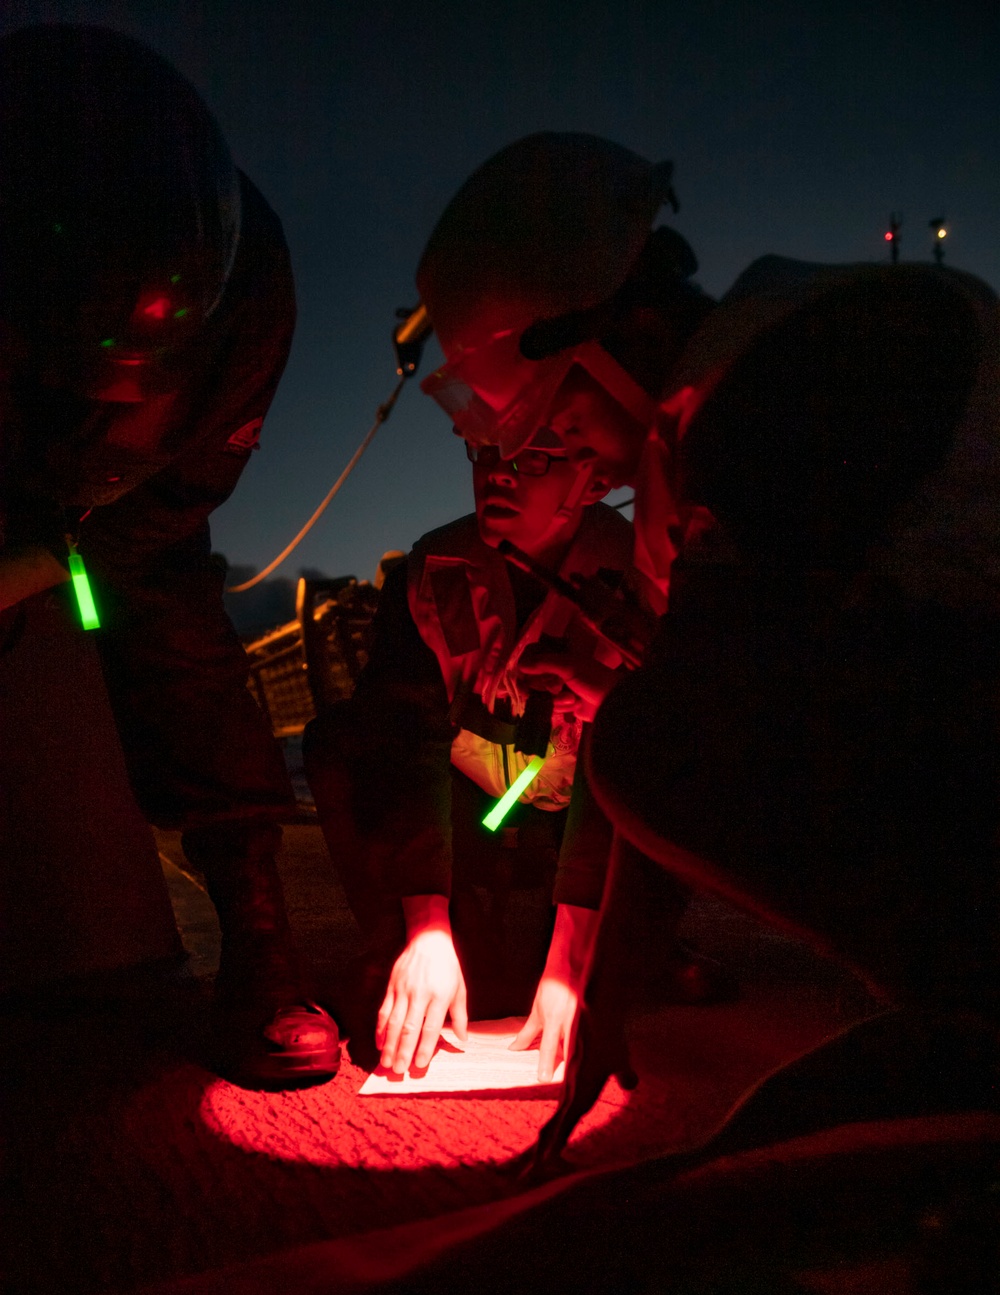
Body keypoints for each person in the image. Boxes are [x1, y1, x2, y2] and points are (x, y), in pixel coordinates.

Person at [412, 132, 1000, 1147]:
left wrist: (598, 974)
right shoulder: (764, 352)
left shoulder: (779, 393)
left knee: (640, 745)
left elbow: (691, 716)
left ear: (618, 331)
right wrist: (605, 994)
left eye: (557, 422)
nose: (568, 458)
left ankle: (976, 1005)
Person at [0, 24, 340, 1087]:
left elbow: (181, 494)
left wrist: (68, 552)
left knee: (176, 632)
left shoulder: (249, 301)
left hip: (134, 512)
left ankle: (256, 934)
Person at [304, 420, 724, 1080]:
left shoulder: (640, 576)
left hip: (579, 807)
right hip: (473, 805)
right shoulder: (433, 572)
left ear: (593, 481)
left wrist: (571, 956)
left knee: (667, 747)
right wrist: (426, 927)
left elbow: (642, 752)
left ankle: (631, 941)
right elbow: (404, 742)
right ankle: (408, 956)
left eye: (535, 459)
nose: (498, 472)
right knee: (339, 742)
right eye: (488, 451)